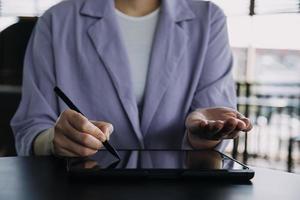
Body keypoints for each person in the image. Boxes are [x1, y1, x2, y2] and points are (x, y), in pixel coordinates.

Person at [11, 0, 252, 157]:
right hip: (82, 188)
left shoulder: (209, 18)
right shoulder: (56, 20)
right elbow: (31, 127)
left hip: (178, 189)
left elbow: (213, 117)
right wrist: (54, 140)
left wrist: (204, 135)